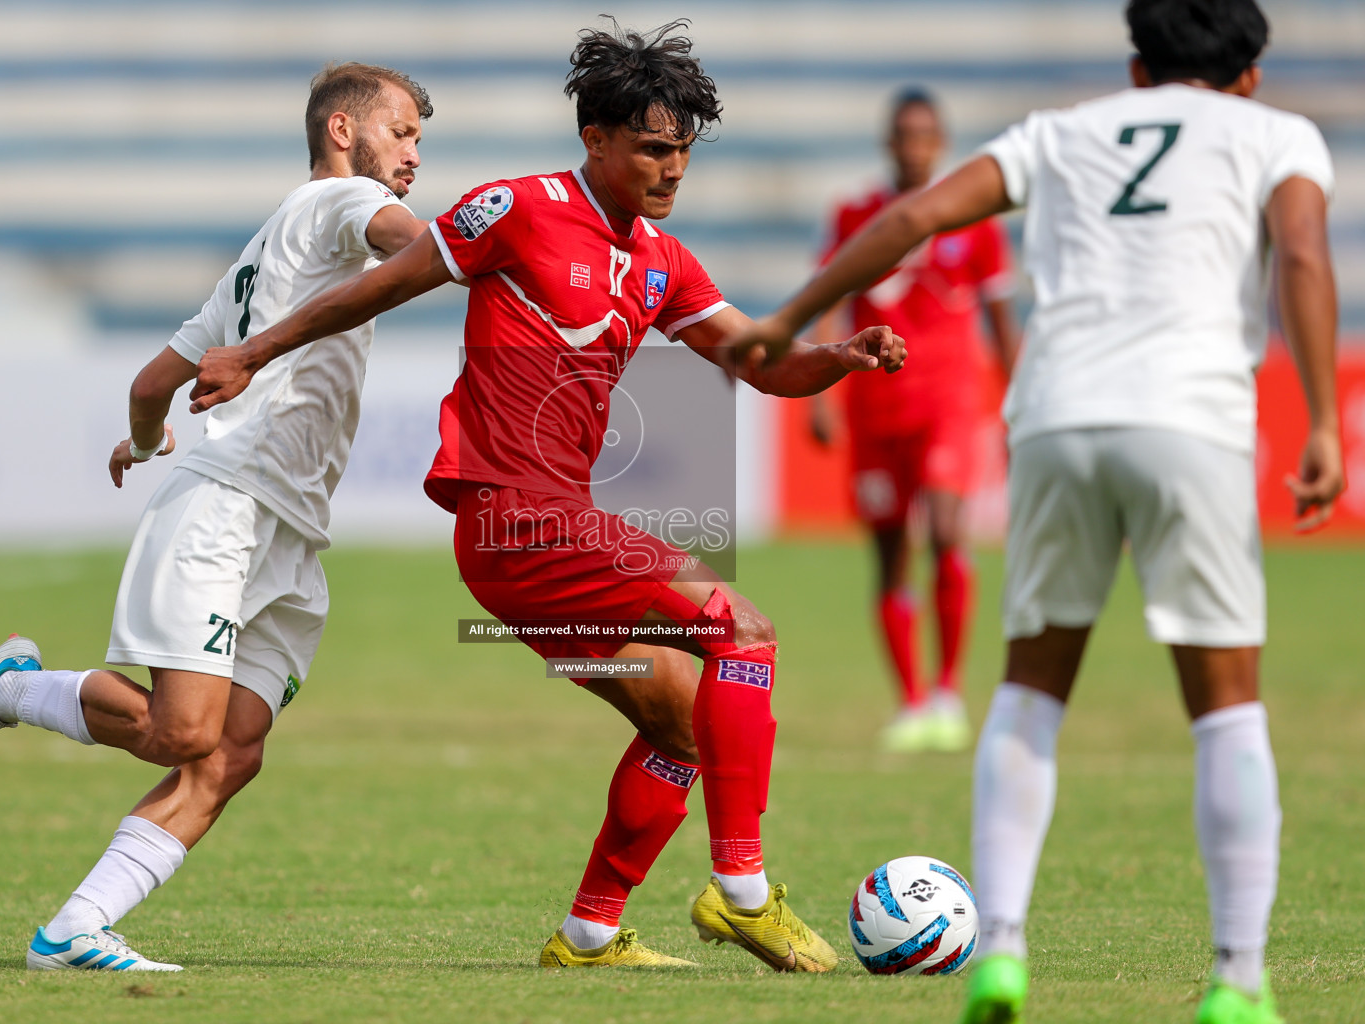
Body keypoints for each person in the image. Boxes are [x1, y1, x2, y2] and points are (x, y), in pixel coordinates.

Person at [191, 20, 906, 972]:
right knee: (744, 628)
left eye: (683, 150)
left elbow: (758, 363)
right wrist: (252, 348)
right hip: (515, 517)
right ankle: (742, 892)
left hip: (552, 527)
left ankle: (589, 934)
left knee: (689, 716)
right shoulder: (515, 211)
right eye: (654, 147)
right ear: (596, 140)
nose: (672, 167)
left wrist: (838, 359)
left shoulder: (664, 259)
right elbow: (376, 290)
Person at [726, 0, 1341, 1019]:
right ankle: (1238, 979)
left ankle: (1001, 950)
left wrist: (788, 316)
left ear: (1138, 66)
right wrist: (1323, 416)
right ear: (1253, 72)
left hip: (1058, 414)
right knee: (1226, 704)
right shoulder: (1276, 134)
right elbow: (1308, 256)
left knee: (1028, 691)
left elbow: (912, 218)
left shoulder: (1064, 130)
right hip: (1189, 418)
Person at [0, 62, 434, 972]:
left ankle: (72, 931)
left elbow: (150, 382)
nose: (414, 156)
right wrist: (465, 244)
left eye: (419, 144)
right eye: (403, 135)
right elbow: (414, 243)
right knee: (184, 732)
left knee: (233, 751)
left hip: (290, 536)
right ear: (344, 134)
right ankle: (11, 687)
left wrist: (142, 437)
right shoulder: (335, 204)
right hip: (229, 504)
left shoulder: (256, 265)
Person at [808, 87, 1019, 753]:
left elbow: (1002, 321)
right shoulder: (855, 215)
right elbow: (829, 299)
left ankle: (951, 690)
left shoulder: (974, 220)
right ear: (889, 143)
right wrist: (818, 392)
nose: (915, 146)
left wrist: (1020, 403)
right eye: (904, 134)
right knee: (890, 553)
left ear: (941, 143)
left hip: (950, 402)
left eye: (926, 134)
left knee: (947, 527)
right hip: (877, 407)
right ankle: (913, 701)